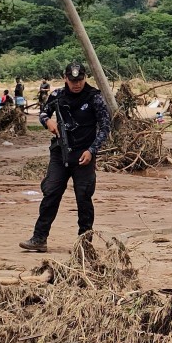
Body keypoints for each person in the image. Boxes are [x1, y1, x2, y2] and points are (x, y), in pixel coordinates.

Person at [20, 62, 111, 252]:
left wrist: (92, 150)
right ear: (65, 78)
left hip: (84, 154)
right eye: (72, 80)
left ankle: (85, 243)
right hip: (60, 153)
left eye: (79, 80)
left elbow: (105, 127)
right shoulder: (57, 95)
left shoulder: (94, 97)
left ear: (85, 78)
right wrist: (48, 122)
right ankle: (39, 238)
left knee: (83, 197)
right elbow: (43, 112)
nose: (76, 84)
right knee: (51, 192)